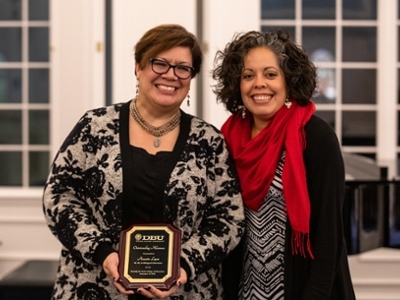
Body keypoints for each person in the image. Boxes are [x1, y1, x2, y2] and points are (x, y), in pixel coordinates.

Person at [43, 24, 245, 300]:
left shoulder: (209, 141)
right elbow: (59, 197)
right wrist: (102, 252)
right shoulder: (94, 127)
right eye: (159, 63)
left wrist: (184, 265)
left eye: (182, 68)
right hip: (95, 287)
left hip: (185, 291)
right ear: (138, 67)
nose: (171, 75)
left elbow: (229, 219)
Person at [212, 29, 356, 300]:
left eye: (270, 74)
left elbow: (329, 236)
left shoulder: (315, 137)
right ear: (237, 83)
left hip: (306, 291)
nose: (259, 84)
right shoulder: (227, 139)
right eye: (248, 75)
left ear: (288, 80)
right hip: (245, 291)